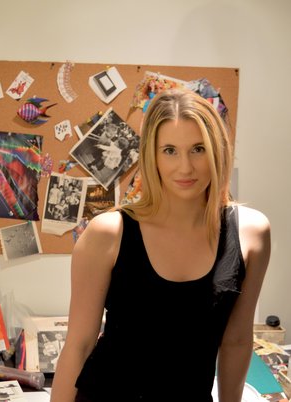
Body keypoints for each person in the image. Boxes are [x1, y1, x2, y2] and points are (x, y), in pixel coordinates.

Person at [50, 88, 271, 402]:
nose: (185, 167)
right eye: (169, 150)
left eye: (198, 149)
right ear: (151, 156)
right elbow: (79, 345)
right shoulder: (108, 233)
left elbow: (236, 340)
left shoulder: (251, 233)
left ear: (217, 151)